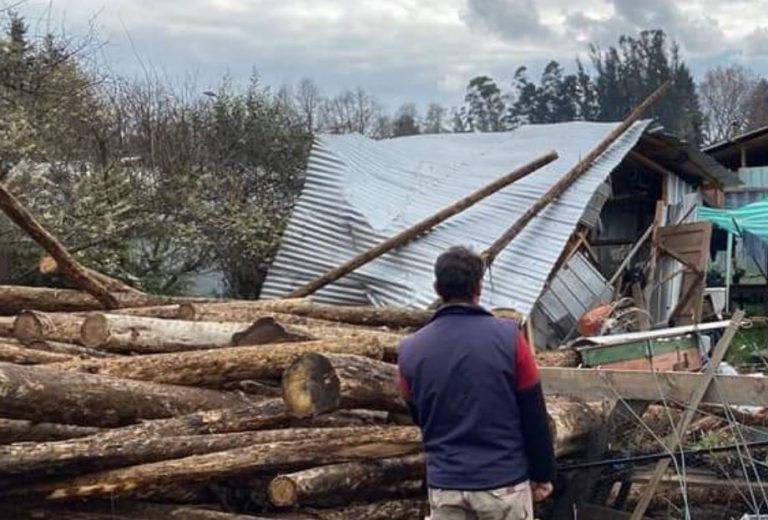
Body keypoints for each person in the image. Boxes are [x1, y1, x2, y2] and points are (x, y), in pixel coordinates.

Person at [397, 246, 556, 520]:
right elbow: (533, 414)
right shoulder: (509, 339)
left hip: (446, 487)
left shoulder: (410, 349)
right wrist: (542, 473)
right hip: (503, 484)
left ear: (437, 288)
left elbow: (418, 414)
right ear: (479, 287)